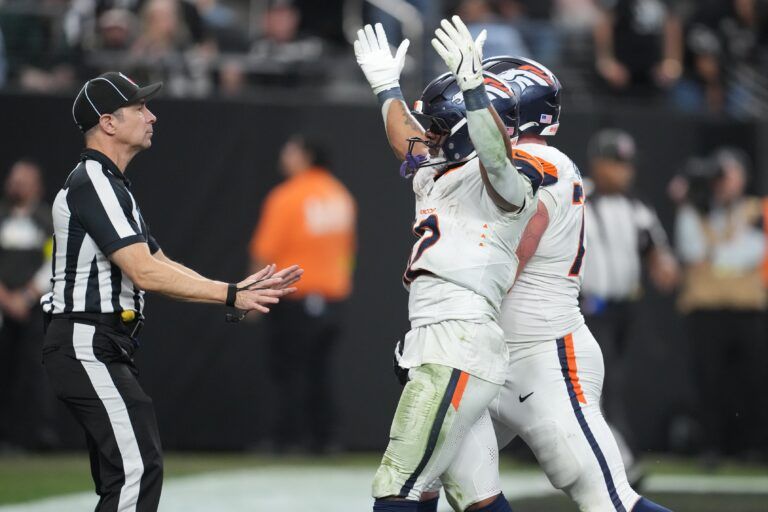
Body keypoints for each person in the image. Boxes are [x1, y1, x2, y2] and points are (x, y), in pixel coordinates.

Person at [41, 71, 302, 512]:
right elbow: (144, 272)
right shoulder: (93, 182)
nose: (152, 116)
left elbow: (159, 262)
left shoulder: (109, 183)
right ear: (108, 122)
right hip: (84, 341)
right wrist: (229, 294)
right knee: (137, 468)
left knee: (127, 472)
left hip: (99, 344)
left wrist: (234, 289)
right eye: (139, 108)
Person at [421, 57, 671, 512]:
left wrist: (443, 318)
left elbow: (508, 261)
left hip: (542, 354)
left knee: (605, 500)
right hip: (491, 354)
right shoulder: (501, 163)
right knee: (448, 480)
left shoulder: (535, 163)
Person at [354, 19, 544, 511]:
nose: (426, 136)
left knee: (400, 481)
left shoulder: (508, 181)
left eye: (437, 127)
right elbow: (406, 141)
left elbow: (498, 162)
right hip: (438, 338)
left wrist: (474, 90)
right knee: (476, 496)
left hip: (458, 342)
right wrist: (384, 88)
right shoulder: (435, 173)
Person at [249, 134, 356, 453]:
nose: (284, 155)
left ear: (306, 156)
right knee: (320, 373)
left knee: (288, 373)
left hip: (294, 297)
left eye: (291, 150)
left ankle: (287, 439)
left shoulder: (288, 196)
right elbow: (348, 252)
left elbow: (264, 250)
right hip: (333, 298)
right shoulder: (340, 196)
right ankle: (325, 440)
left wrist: (252, 295)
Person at [581, 128, 679, 473]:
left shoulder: (637, 206)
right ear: (598, 163)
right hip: (589, 309)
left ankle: (605, 453)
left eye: (628, 164)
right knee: (604, 382)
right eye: (617, 164)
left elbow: (656, 251)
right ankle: (620, 457)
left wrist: (664, 266)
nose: (626, 172)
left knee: (615, 380)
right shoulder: (578, 198)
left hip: (627, 310)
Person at [672, 149, 767, 463]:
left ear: (743, 176)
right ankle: (711, 446)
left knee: (754, 380)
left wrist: (717, 253)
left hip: (748, 308)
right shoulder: (695, 211)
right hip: (706, 310)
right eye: (717, 177)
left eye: (727, 175)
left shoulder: (756, 210)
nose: (722, 184)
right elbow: (691, 251)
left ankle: (755, 446)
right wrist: (689, 201)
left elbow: (749, 252)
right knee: (709, 381)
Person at [0, 159, 56, 451]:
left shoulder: (45, 220)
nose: (17, 185)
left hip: (34, 306)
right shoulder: (3, 216)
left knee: (35, 367)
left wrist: (27, 296)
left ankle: (38, 435)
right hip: (3, 305)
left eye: (23, 180)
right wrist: (6, 298)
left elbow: (53, 260)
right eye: (14, 179)